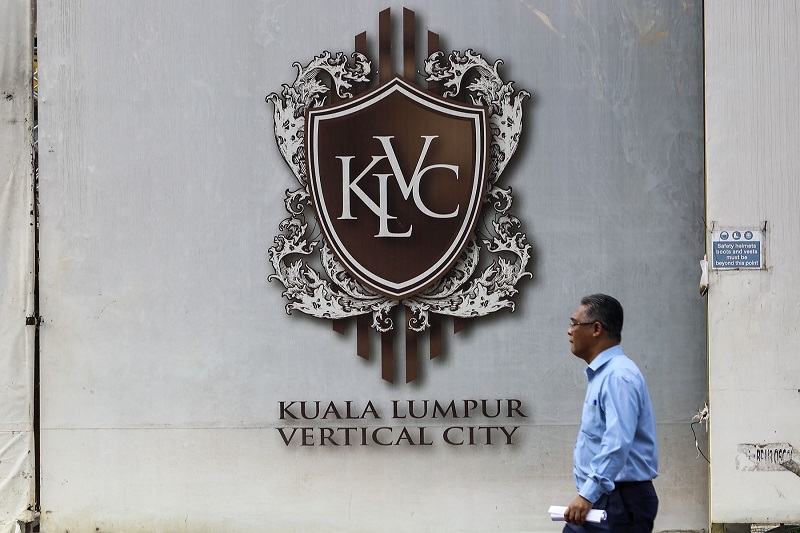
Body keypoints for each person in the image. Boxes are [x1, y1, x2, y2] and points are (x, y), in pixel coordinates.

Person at [563, 294, 659, 533]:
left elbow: (617, 443)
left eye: (575, 323)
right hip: (604, 496)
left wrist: (587, 495)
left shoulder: (618, 377)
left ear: (596, 329)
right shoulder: (603, 375)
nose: (569, 331)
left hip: (620, 501)